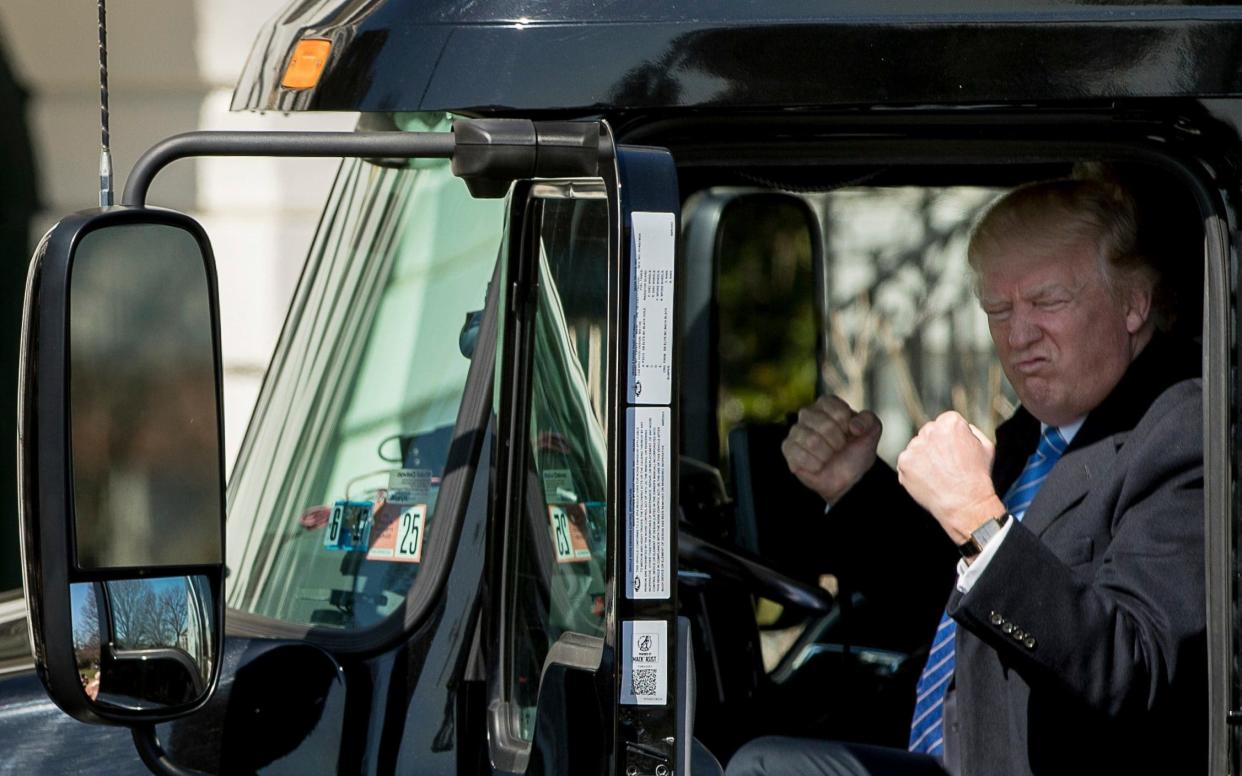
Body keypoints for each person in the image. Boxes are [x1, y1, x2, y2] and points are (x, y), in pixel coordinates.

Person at [728, 176, 1205, 776]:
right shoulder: (1037, 434)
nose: (1018, 335)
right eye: (997, 310)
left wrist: (979, 519)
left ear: (1134, 304)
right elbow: (959, 606)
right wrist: (855, 486)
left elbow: (1132, 669)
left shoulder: (1185, 430)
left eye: (1047, 302)